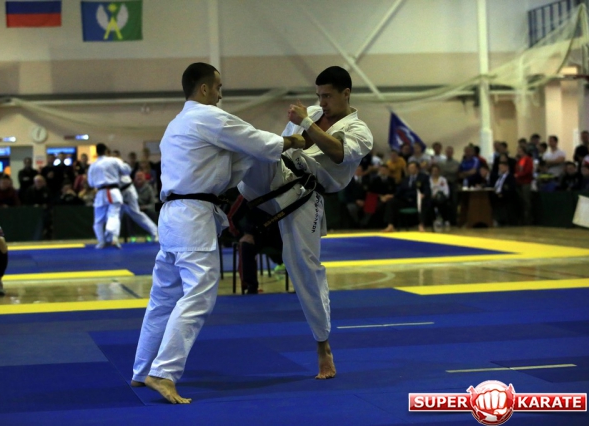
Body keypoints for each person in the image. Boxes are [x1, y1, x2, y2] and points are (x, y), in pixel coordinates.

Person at [131, 62, 305, 404]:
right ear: (205, 88)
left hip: (173, 215)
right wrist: (292, 140)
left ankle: (142, 369)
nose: (221, 94)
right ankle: (163, 372)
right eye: (218, 87)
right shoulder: (208, 117)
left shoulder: (176, 124)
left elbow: (239, 156)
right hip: (192, 217)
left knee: (163, 297)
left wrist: (261, 153)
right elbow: (255, 140)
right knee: (199, 294)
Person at [238, 66, 372, 382]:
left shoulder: (360, 130)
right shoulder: (311, 112)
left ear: (346, 94)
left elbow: (337, 153)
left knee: (302, 266)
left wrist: (308, 124)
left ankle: (323, 344)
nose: (322, 102)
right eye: (319, 96)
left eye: (328, 96)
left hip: (305, 194)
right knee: (246, 145)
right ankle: (205, 203)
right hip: (276, 175)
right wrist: (297, 128)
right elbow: (285, 144)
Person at [88, 143, 131, 249]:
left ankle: (101, 241)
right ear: (106, 151)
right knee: (113, 215)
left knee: (98, 220)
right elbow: (127, 171)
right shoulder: (114, 160)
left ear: (97, 152)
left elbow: (91, 183)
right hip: (114, 191)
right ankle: (113, 236)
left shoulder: (93, 165)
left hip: (100, 193)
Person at [111, 151, 158, 241]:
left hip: (127, 191)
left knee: (135, 214)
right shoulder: (109, 167)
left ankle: (155, 232)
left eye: (116, 156)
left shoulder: (121, 164)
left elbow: (127, 171)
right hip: (118, 193)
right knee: (115, 216)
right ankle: (112, 237)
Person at [382, 162, 431, 233]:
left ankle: (421, 225)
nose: (410, 169)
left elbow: (427, 189)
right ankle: (390, 225)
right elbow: (400, 191)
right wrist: (392, 196)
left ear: (417, 168)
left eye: (412, 167)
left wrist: (423, 194)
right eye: (409, 168)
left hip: (417, 199)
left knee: (422, 202)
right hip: (406, 200)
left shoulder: (423, 177)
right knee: (392, 202)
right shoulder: (406, 179)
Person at [515, 146, 534, 225]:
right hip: (519, 182)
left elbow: (528, 171)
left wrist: (519, 175)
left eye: (520, 151)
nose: (519, 152)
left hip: (526, 182)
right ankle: (522, 219)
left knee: (526, 201)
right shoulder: (519, 160)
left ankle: (528, 219)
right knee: (521, 201)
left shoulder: (528, 160)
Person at [429, 164, 450, 229]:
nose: (435, 172)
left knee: (441, 203)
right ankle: (434, 220)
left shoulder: (443, 179)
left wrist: (444, 196)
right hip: (431, 197)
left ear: (439, 171)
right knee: (430, 203)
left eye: (436, 171)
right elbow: (428, 189)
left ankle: (445, 219)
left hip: (441, 196)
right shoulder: (428, 180)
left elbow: (446, 189)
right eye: (433, 171)